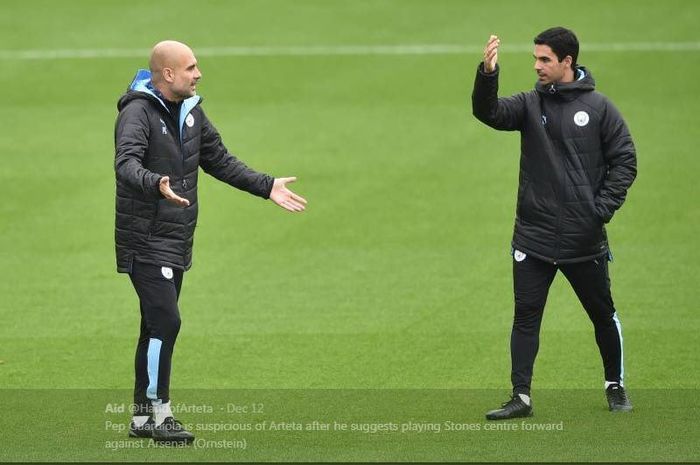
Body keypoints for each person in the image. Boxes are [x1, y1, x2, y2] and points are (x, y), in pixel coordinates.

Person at [114, 40, 307, 441]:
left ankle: (140, 419)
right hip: (145, 238)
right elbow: (126, 163)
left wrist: (266, 185)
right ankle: (160, 415)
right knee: (166, 320)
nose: (198, 74)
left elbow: (219, 159)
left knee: (155, 324)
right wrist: (156, 183)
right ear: (167, 74)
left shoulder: (190, 112)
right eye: (190, 68)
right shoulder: (137, 112)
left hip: (175, 237)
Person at [471, 27, 636, 420]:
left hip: (583, 240)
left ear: (567, 61)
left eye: (545, 59)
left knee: (602, 314)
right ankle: (521, 397)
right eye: (535, 58)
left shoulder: (599, 108)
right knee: (526, 317)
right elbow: (488, 113)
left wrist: (599, 211)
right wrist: (488, 73)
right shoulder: (530, 104)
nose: (537, 66)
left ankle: (615, 385)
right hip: (534, 235)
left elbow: (625, 161)